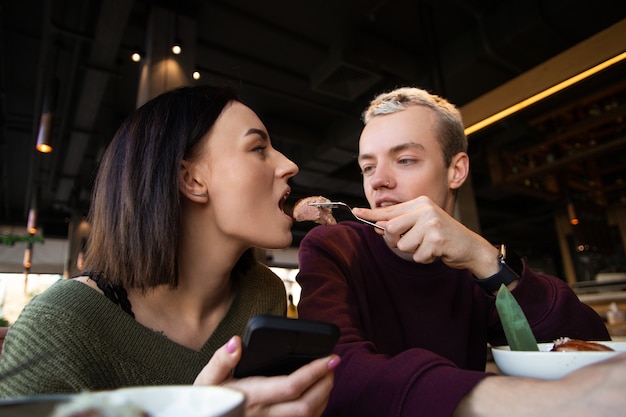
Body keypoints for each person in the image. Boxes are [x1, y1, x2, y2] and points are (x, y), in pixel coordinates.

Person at [0, 85, 339, 417]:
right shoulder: (59, 326)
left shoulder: (263, 293)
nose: (289, 165)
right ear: (191, 180)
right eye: (258, 148)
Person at [295, 86, 625, 417]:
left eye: (405, 160)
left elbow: (588, 346)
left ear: (456, 170)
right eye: (368, 167)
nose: (378, 180)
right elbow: (333, 370)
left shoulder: (471, 262)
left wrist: (485, 260)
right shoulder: (334, 246)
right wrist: (504, 399)